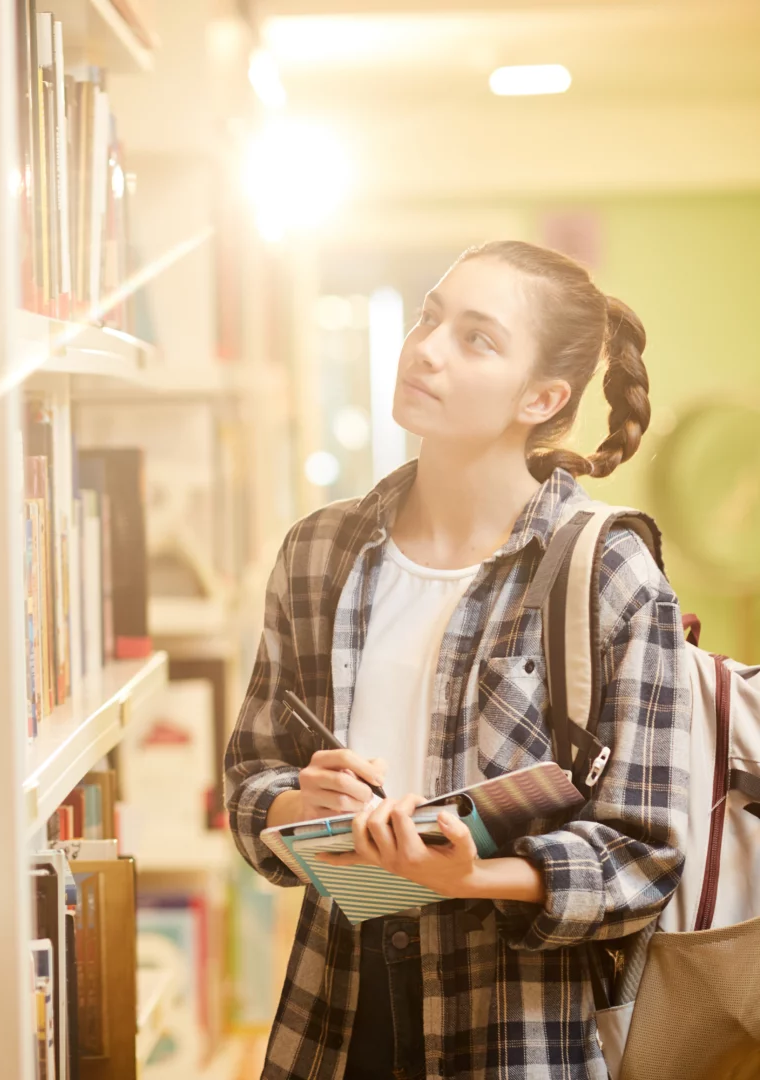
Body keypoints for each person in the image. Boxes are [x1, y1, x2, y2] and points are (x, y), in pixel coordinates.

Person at [225, 240, 689, 1080]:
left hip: (513, 1031)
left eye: (477, 338)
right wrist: (300, 801)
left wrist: (475, 876)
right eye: (429, 317)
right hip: (335, 1013)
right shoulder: (318, 553)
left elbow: (643, 856)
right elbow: (249, 783)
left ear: (543, 396)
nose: (426, 349)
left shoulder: (608, 572)